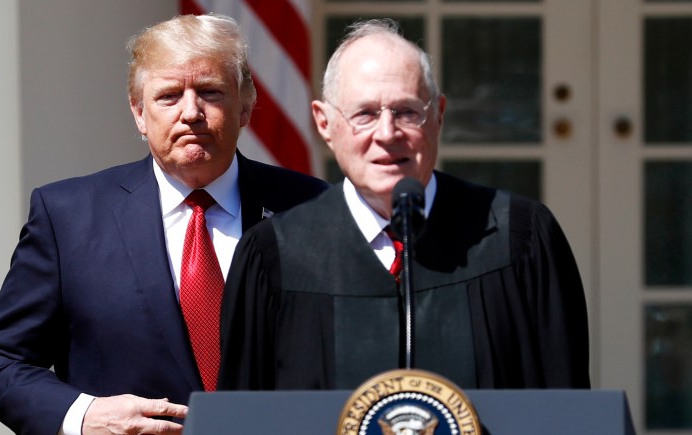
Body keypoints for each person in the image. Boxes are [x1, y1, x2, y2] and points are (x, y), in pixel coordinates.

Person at [0, 13, 328, 435]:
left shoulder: (313, 209)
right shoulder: (69, 217)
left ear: (246, 105)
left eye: (210, 93)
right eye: (169, 96)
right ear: (139, 113)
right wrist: (85, 417)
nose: (190, 112)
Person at [218, 19, 590, 392]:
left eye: (407, 112)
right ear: (325, 123)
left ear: (439, 115)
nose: (387, 134)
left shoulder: (518, 238)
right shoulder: (275, 256)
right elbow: (244, 420)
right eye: (364, 114)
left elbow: (567, 412)